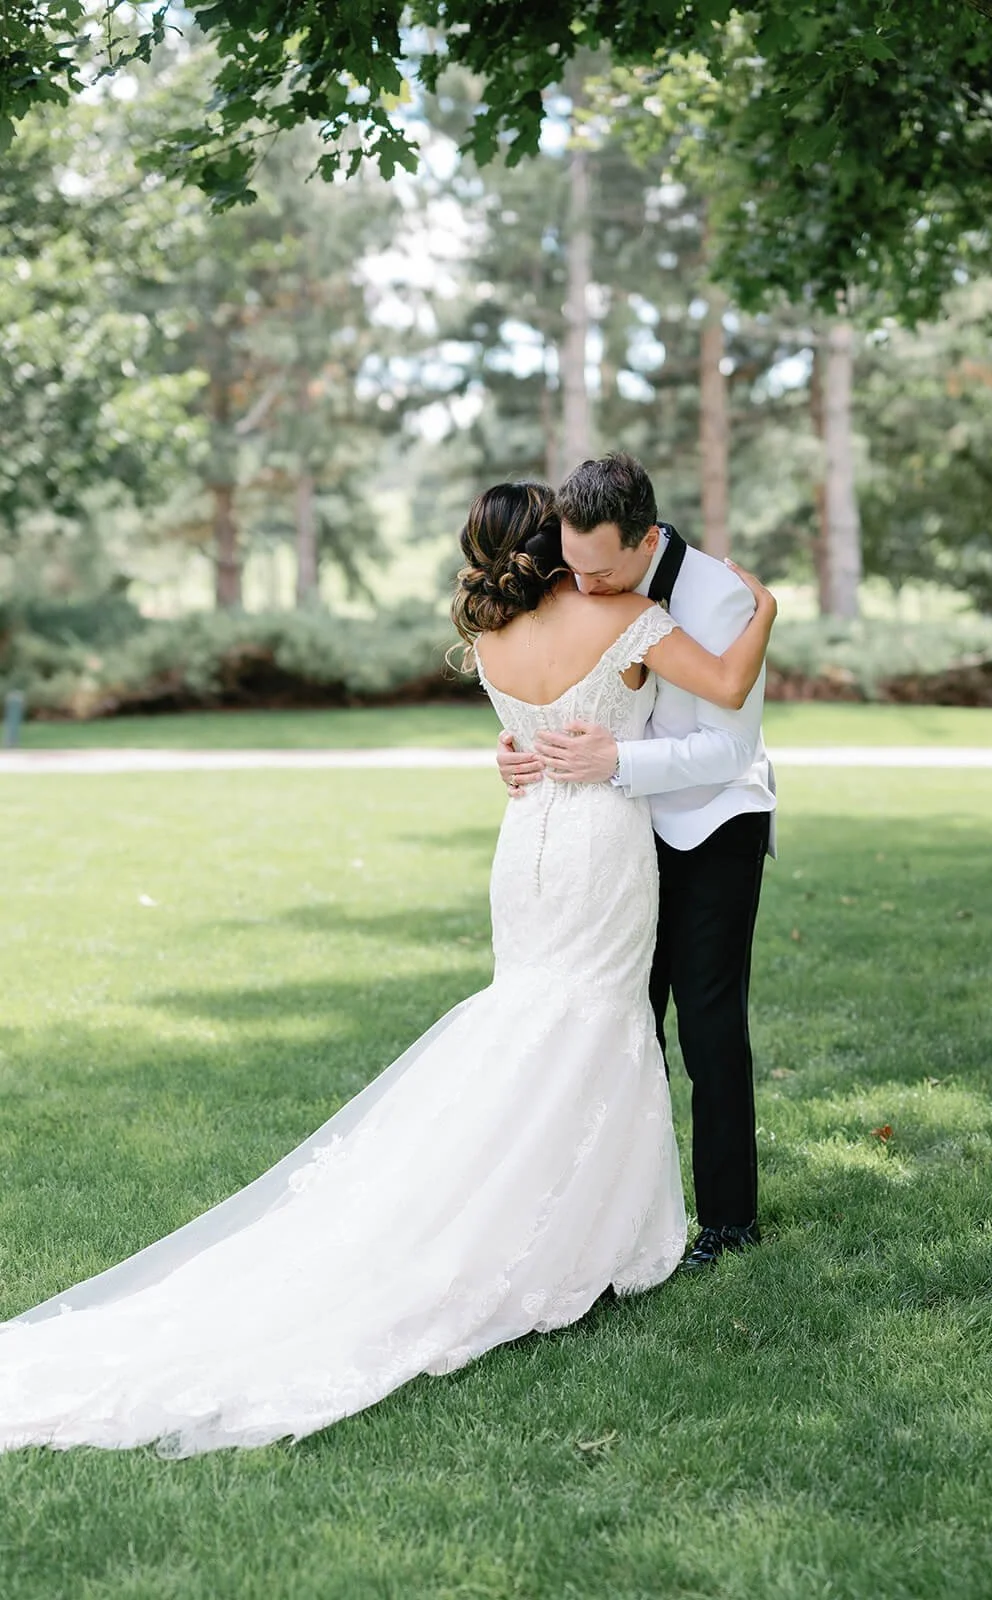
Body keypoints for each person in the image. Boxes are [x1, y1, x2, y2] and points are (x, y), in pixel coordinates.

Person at [0, 482, 775, 1459]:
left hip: (526, 842)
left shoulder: (491, 636)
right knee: (592, 1020)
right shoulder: (625, 614)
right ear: (550, 546)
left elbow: (528, 731)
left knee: (535, 1015)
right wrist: (769, 610)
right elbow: (730, 681)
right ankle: (581, 1232)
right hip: (597, 843)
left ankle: (545, 1213)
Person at [498, 454, 776, 1269]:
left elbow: (729, 748)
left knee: (707, 1020)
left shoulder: (719, 597)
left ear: (646, 538)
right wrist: (519, 750)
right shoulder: (588, 580)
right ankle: (616, 1212)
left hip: (709, 825)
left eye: (600, 569)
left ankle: (728, 1221)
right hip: (614, 834)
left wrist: (613, 760)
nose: (581, 587)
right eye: (571, 566)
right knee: (621, 1019)